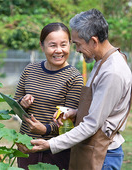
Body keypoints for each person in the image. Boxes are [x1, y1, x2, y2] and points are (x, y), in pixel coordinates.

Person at [19, 9, 132, 169]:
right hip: (92, 148)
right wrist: (77, 112)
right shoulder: (102, 62)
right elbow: (101, 109)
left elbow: (92, 125)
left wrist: (50, 144)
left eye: (78, 44)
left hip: (104, 155)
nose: (77, 49)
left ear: (93, 41)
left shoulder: (112, 72)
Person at [14, 22, 83, 170]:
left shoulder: (74, 78)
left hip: (56, 151)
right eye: (52, 45)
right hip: (27, 146)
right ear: (42, 46)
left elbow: (70, 122)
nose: (59, 51)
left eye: (63, 45)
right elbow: (15, 103)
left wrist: (45, 129)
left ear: (70, 45)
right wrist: (22, 102)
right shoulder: (30, 69)